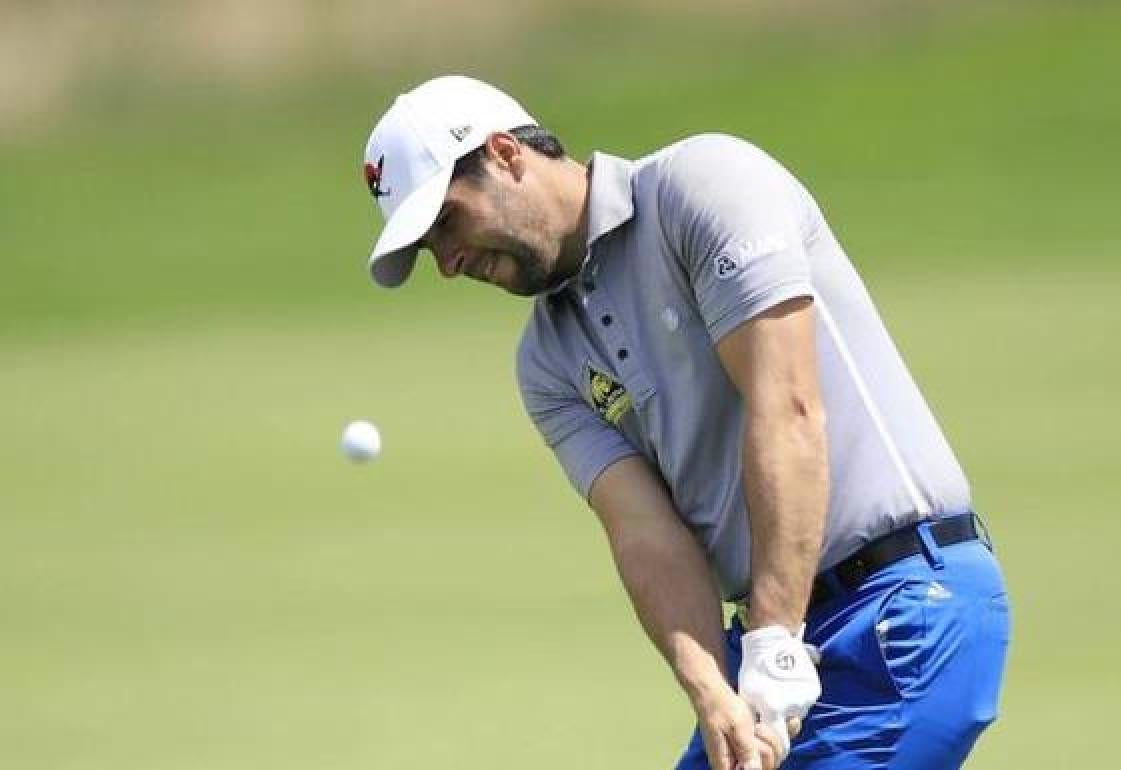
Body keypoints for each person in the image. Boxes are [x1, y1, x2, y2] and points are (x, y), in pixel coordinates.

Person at [358, 75, 1010, 770]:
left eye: (447, 223)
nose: (448, 264)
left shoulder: (702, 186)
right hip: (773, 639)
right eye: (428, 250)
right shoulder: (546, 363)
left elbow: (787, 409)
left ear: (505, 154)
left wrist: (774, 642)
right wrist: (712, 690)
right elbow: (646, 535)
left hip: (905, 605)